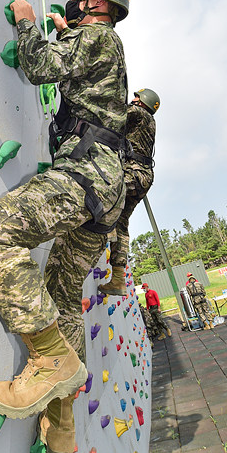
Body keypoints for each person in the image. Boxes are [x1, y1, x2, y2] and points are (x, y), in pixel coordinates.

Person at [0, 0, 130, 453]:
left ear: (98, 4)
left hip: (85, 174)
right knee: (62, 298)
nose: (74, 4)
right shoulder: (102, 44)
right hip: (106, 189)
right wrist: (65, 32)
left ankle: (51, 357)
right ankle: (62, 427)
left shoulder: (97, 35)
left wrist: (26, 22)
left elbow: (39, 66)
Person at [99, 88, 160, 297]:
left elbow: (115, 112)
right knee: (123, 220)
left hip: (133, 172)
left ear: (143, 102)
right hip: (143, 176)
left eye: (137, 98)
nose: (133, 100)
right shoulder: (147, 121)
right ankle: (117, 279)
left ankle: (104, 235)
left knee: (104, 191)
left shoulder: (139, 113)